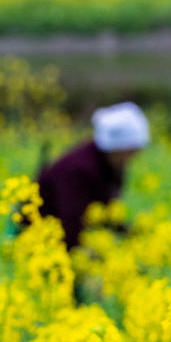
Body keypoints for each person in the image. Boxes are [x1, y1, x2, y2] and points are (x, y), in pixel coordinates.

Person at [34, 101, 150, 250]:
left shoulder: (109, 165)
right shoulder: (79, 169)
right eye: (132, 151)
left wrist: (133, 236)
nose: (133, 157)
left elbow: (105, 215)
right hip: (40, 245)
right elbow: (71, 225)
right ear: (118, 146)